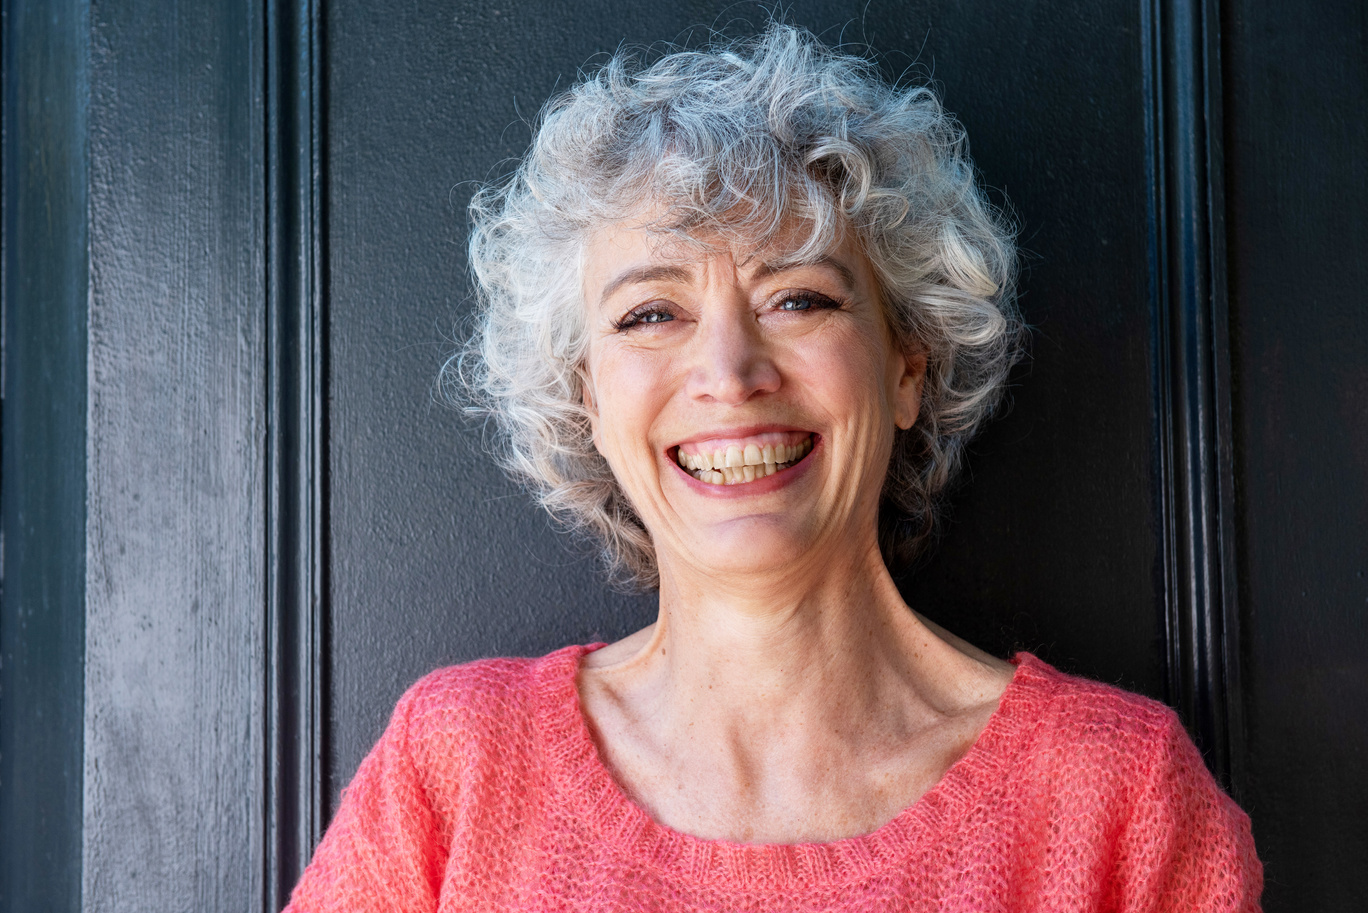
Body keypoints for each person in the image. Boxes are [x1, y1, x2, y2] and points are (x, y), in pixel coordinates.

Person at [285, 23, 1261, 912]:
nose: (729, 375)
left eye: (798, 298)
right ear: (587, 398)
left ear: (906, 366)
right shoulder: (455, 772)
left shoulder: (1119, 804)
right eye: (650, 313)